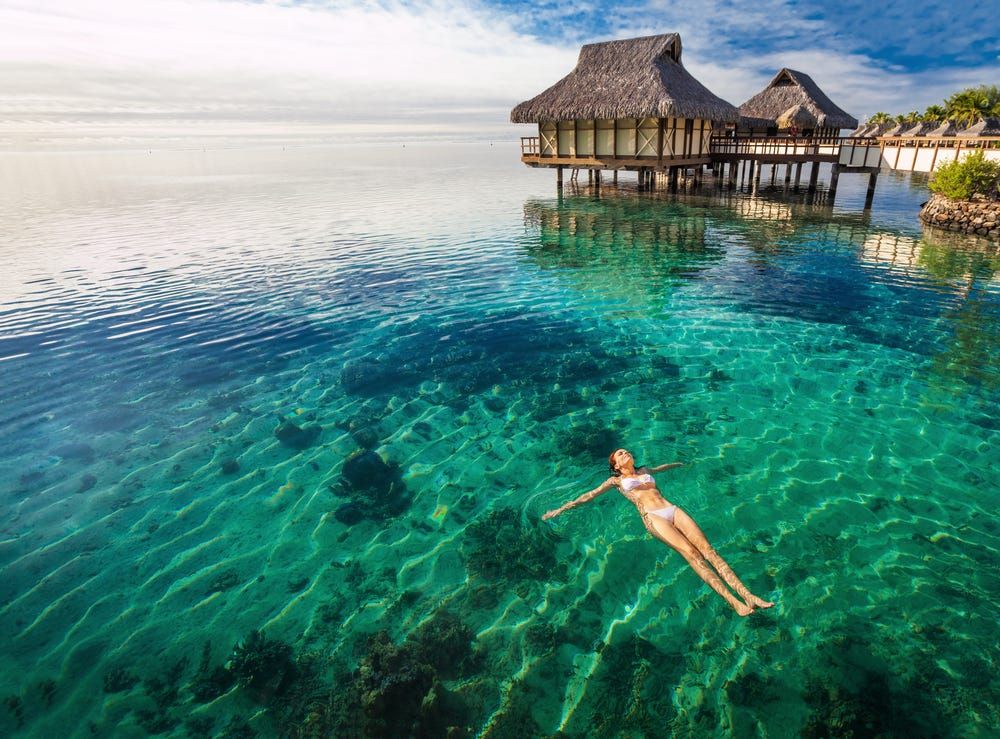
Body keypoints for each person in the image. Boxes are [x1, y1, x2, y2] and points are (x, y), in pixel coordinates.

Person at [542, 448, 774, 617]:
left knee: (708, 550)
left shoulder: (643, 470)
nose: (626, 454)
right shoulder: (615, 482)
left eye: (627, 452)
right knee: (692, 555)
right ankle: (734, 602)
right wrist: (559, 510)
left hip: (671, 509)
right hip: (653, 518)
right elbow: (588, 496)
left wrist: (680, 464)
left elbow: (660, 468)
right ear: (615, 466)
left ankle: (749, 595)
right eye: (620, 454)